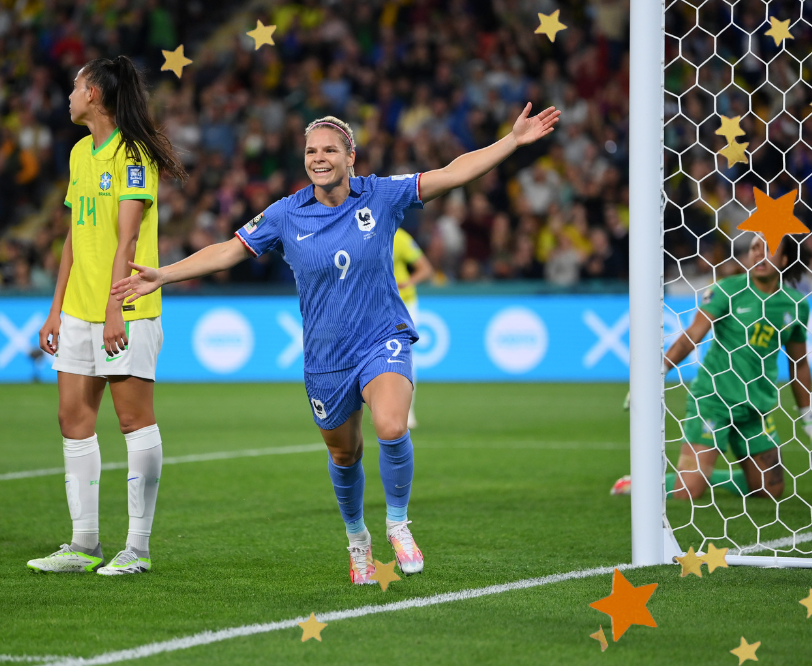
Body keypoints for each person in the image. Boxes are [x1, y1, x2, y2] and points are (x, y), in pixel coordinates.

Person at [113, 105, 560, 583]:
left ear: (351, 156)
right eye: (311, 151)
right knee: (345, 455)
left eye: (329, 149)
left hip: (381, 337)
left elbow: (452, 173)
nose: (319, 158)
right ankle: (357, 541)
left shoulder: (382, 195)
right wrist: (165, 275)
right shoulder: (286, 213)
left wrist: (511, 141)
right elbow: (228, 250)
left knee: (391, 426)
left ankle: (398, 524)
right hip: (326, 359)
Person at [27, 56, 187, 575]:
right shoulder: (79, 153)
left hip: (127, 307)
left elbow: (129, 236)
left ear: (93, 93)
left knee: (131, 419)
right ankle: (84, 544)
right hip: (77, 308)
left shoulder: (134, 154)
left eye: (74, 86)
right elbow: (76, 233)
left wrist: (115, 305)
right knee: (72, 419)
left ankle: (136, 548)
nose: (68, 95)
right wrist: (55, 309)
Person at [612, 234, 810, 500]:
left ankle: (713, 478)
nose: (759, 254)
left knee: (770, 490)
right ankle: (643, 483)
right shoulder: (727, 289)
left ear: (785, 259)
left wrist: (807, 413)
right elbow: (692, 335)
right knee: (688, 492)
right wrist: (656, 375)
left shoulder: (795, 305)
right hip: (714, 401)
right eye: (754, 248)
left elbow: (798, 364)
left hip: (755, 408)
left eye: (769, 248)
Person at [393, 227, 434, 429]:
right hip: (375, 306)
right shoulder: (362, 232)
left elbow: (425, 269)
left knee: (405, 357)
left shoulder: (399, 238)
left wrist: (407, 282)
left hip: (404, 305)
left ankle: (408, 411)